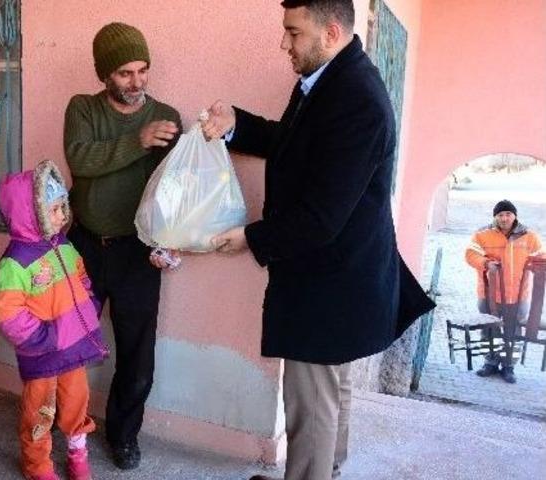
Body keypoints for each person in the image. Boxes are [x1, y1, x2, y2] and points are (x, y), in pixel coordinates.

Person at [201, 1, 435, 479]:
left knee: (311, 405)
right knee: (331, 392)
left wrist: (249, 237)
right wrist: (236, 126)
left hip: (331, 282)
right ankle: (327, 471)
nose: (283, 44)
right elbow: (292, 142)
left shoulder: (357, 101)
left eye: (293, 32)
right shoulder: (328, 80)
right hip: (338, 277)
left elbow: (321, 217)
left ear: (330, 31)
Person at [63, 22, 182, 470]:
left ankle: (123, 436)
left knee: (137, 355)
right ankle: (63, 426)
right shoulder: (82, 109)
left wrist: (169, 242)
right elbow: (80, 159)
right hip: (84, 247)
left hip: (137, 252)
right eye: (125, 73)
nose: (136, 82)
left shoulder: (166, 115)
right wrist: (137, 141)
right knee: (68, 345)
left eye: (142, 70)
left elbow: (173, 192)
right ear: (104, 75)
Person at [0, 160, 109, 480]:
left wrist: (89, 306)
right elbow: (6, 310)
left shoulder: (65, 246)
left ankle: (77, 453)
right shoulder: (15, 263)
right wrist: (43, 339)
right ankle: (37, 465)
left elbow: (82, 278)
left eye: (63, 208)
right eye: (55, 210)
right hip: (43, 353)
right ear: (33, 214)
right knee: (39, 410)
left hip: (73, 349)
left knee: (76, 402)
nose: (63, 216)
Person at [465, 199, 544, 384]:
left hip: (518, 295)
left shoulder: (529, 236)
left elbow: (542, 256)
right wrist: (485, 263)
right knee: (488, 328)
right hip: (488, 294)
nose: (504, 218)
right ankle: (490, 363)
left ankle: (509, 367)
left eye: (508, 214)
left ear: (515, 216)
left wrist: (534, 266)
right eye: (500, 215)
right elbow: (470, 255)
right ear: (495, 217)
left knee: (513, 331)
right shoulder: (482, 234)